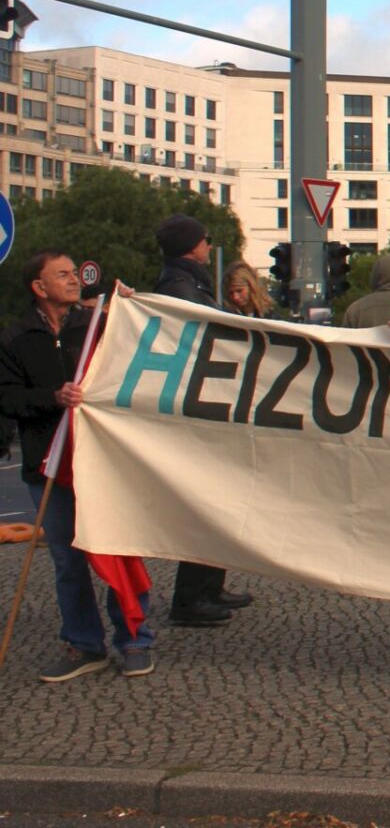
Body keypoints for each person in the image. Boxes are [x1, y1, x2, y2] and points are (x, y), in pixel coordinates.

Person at [0, 252, 157, 681]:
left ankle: (135, 640)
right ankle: (84, 644)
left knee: (118, 548)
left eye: (74, 273)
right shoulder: (15, 338)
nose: (74, 280)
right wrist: (53, 397)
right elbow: (7, 398)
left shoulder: (94, 327)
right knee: (68, 561)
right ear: (38, 286)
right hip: (47, 465)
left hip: (103, 464)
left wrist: (131, 309)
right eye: (63, 275)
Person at [151, 213, 251, 628]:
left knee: (218, 503)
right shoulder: (181, 286)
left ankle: (210, 585)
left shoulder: (189, 283)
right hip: (197, 409)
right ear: (192, 246)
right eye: (206, 240)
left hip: (205, 403)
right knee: (205, 506)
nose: (210, 246)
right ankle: (190, 599)